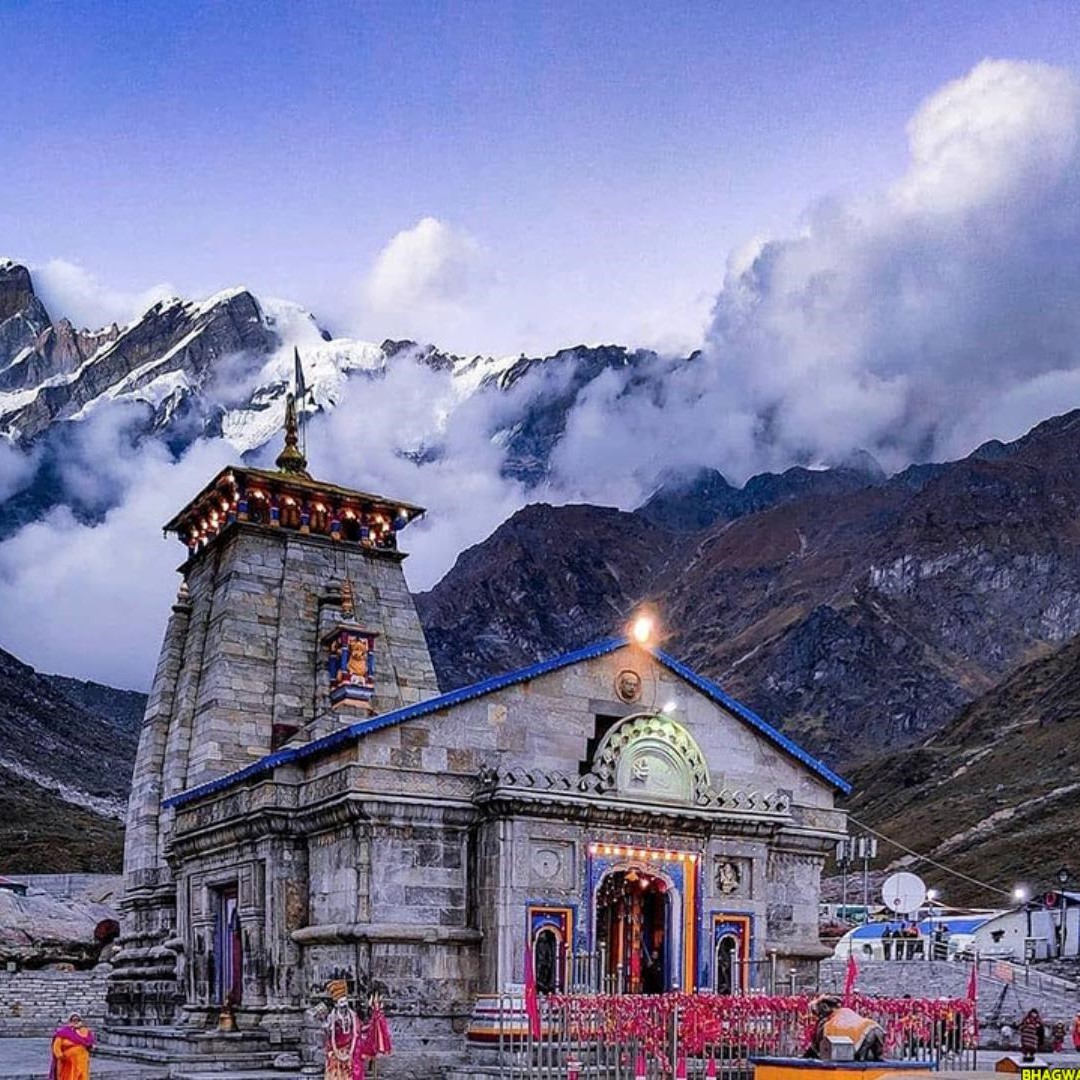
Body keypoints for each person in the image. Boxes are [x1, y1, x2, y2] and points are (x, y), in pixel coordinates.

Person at [49, 1013, 94, 1080]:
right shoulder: (63, 1032)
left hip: (82, 1060)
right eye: (73, 1020)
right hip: (68, 1061)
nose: (75, 1022)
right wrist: (60, 1055)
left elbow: (89, 1043)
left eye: (77, 1020)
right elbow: (56, 1046)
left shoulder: (85, 1031)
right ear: (70, 1021)